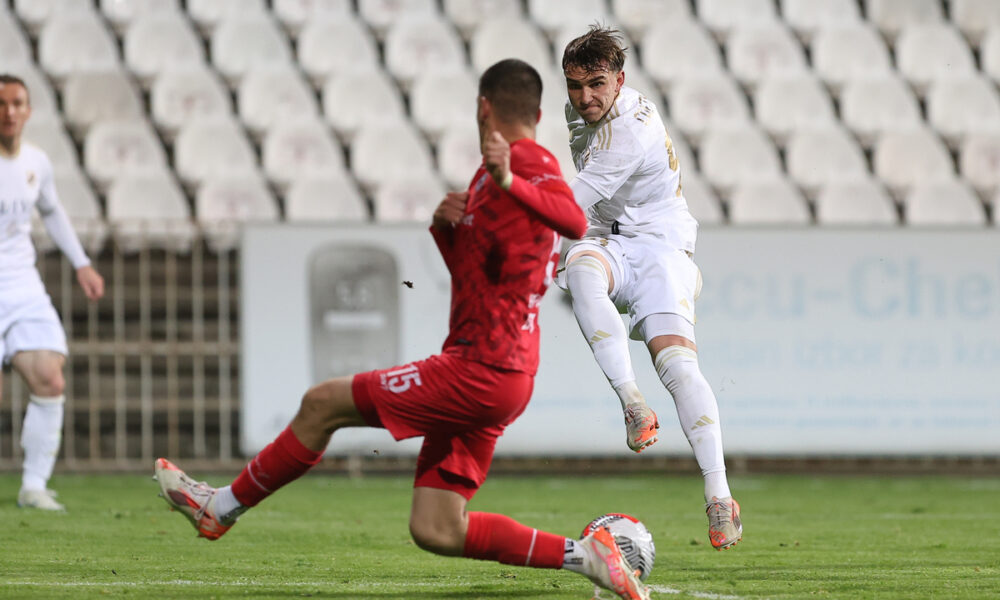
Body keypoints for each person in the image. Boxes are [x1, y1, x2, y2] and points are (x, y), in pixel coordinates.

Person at [154, 59, 650, 600]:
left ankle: (219, 508)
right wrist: (447, 231)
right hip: (499, 369)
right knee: (436, 527)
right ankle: (586, 556)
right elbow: (478, 280)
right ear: (536, 110)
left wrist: (508, 179)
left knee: (323, 403)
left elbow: (573, 220)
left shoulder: (525, 162)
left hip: (483, 366)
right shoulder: (490, 176)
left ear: (483, 108)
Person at [558, 27, 742, 550]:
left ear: (620, 80)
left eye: (597, 84)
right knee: (581, 269)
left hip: (661, 248)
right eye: (575, 85)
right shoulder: (579, 111)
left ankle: (719, 496)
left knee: (678, 367)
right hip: (612, 240)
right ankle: (633, 402)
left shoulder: (631, 132)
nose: (585, 97)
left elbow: (565, 206)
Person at [0, 74, 105, 510]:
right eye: (1, 103)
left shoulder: (36, 163)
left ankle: (34, 486)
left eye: (16, 103)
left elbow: (52, 211)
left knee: (50, 376)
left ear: (28, 110)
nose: (8, 112)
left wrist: (82, 263)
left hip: (22, 285)